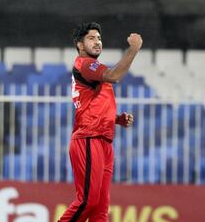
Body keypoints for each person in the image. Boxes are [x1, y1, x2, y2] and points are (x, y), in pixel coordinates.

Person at [58, 22, 142, 222]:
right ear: (80, 45)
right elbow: (114, 76)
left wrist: (116, 119)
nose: (97, 42)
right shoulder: (86, 64)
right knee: (88, 202)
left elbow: (92, 105)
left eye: (98, 38)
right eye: (91, 38)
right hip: (88, 138)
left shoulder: (92, 71)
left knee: (100, 210)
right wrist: (133, 49)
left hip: (103, 140)